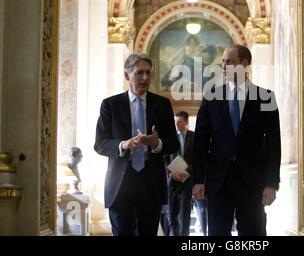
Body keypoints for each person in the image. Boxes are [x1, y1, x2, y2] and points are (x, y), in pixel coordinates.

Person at [192, 44, 281, 236]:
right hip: (218, 181)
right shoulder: (211, 97)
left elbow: (274, 144)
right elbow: (200, 141)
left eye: (230, 62)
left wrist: (272, 183)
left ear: (244, 64)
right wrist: (198, 179)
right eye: (223, 62)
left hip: (252, 181)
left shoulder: (265, 98)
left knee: (252, 235)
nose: (224, 66)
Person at [94, 52, 179, 236]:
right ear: (126, 75)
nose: (145, 78)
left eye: (148, 73)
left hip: (151, 182)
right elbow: (100, 143)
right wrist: (123, 145)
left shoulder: (162, 104)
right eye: (139, 73)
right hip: (120, 183)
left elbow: (173, 144)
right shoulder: (110, 105)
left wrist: (157, 143)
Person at [166, 111, 195, 236]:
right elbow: (164, 158)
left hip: (187, 181)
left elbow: (198, 159)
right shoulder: (169, 137)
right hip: (172, 180)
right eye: (175, 122)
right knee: (171, 214)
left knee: (184, 214)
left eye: (179, 122)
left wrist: (187, 172)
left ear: (186, 122)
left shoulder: (194, 137)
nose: (176, 125)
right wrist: (171, 173)